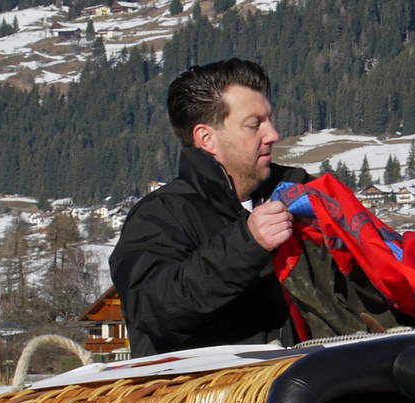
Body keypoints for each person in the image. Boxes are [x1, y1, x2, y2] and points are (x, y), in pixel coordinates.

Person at [109, 59, 310, 357]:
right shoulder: (160, 215)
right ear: (207, 139)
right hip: (209, 399)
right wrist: (247, 243)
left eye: (269, 119)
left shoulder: (301, 193)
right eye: (255, 124)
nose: (273, 134)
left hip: (304, 394)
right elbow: (153, 309)